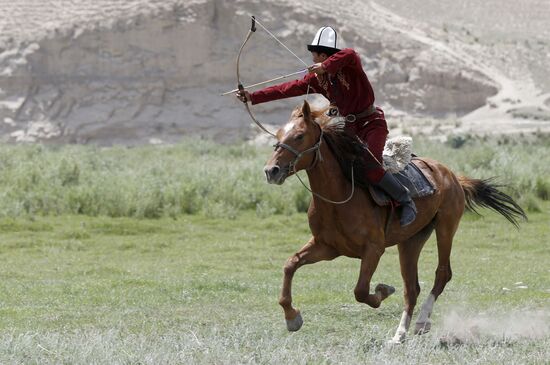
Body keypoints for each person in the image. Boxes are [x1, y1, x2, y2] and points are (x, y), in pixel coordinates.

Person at [236, 26, 416, 226]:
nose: (313, 60)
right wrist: (253, 97)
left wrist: (325, 67)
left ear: (324, 55)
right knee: (340, 166)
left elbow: (350, 53)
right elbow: (285, 89)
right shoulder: (317, 79)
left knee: (370, 165)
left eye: (315, 56)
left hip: (372, 124)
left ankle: (405, 200)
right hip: (349, 129)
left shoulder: (349, 64)